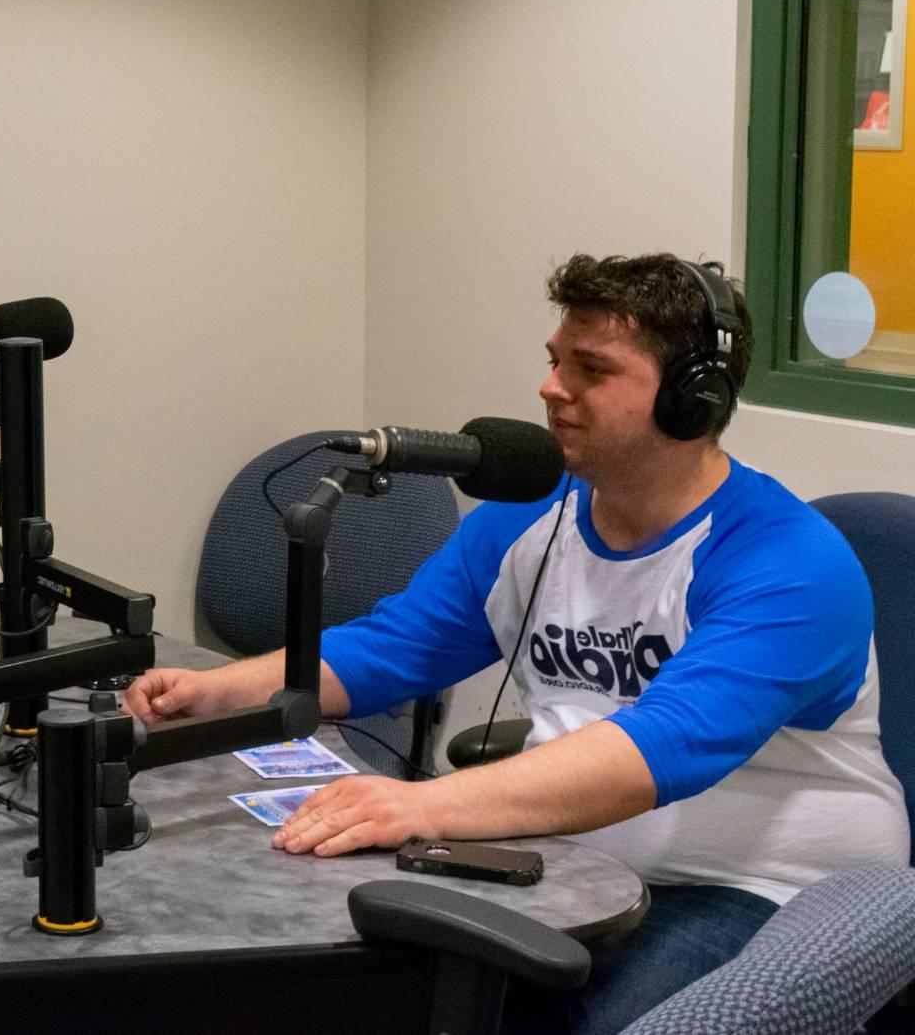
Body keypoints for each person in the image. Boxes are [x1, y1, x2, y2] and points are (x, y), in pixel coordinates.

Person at [126, 253, 909, 1034]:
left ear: (691, 399)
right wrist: (223, 689)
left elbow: (663, 746)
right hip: (574, 859)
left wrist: (421, 803)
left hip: (759, 888)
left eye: (591, 368)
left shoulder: (788, 562)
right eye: (554, 360)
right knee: (365, 993)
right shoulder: (529, 518)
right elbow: (398, 644)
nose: (551, 387)